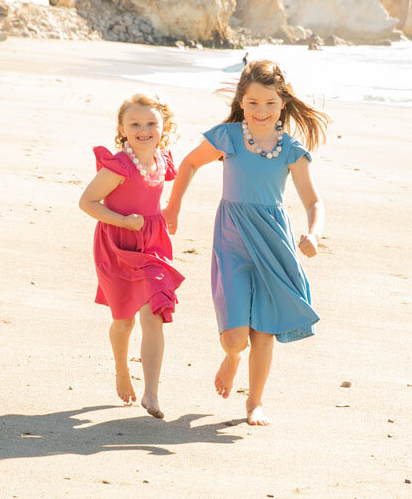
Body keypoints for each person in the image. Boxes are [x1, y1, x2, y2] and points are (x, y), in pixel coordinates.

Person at [163, 60, 328, 426]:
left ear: (282, 103)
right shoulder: (230, 137)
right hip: (233, 239)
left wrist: (314, 233)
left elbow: (313, 201)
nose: (261, 111)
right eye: (252, 103)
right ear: (241, 102)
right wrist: (173, 207)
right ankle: (233, 357)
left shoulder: (291, 151)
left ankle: (255, 402)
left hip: (273, 243)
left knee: (264, 331)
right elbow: (189, 164)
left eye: (269, 103)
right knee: (236, 337)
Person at [79, 93, 183, 420]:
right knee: (123, 320)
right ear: (122, 129)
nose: (144, 129)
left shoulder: (163, 160)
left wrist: (168, 214)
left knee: (154, 314)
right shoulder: (120, 165)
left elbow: (156, 197)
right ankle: (122, 369)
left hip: (151, 243)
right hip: (116, 245)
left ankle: (151, 392)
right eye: (135, 124)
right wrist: (124, 221)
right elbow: (87, 202)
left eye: (151, 122)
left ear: (164, 126)